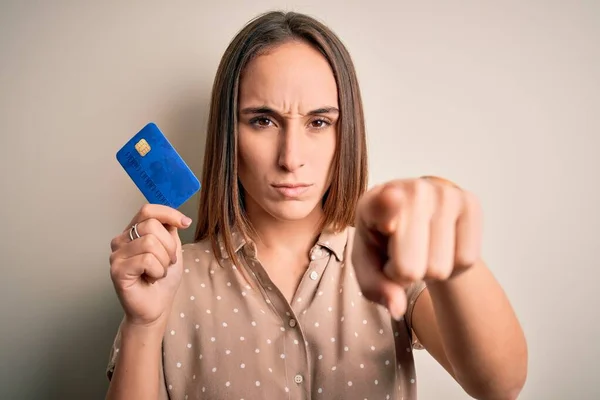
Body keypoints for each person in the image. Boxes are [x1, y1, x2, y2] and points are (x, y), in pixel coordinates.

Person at [105, 10, 527, 400]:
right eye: (263, 120)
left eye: (319, 122)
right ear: (229, 136)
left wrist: (446, 237)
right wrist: (143, 326)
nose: (291, 158)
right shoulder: (168, 280)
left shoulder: (393, 263)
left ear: (346, 134)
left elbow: (500, 385)